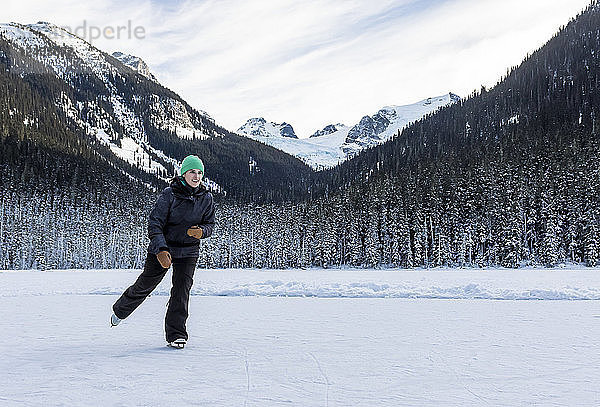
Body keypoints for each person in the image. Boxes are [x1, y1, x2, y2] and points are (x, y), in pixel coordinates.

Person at [110, 155, 215, 349]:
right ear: (183, 174)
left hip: (188, 251)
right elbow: (155, 223)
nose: (196, 176)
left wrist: (201, 232)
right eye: (192, 171)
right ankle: (120, 310)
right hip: (163, 248)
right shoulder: (170, 194)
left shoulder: (206, 198)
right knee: (146, 284)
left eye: (200, 172)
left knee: (181, 290)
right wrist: (161, 249)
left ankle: (176, 335)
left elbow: (210, 224)